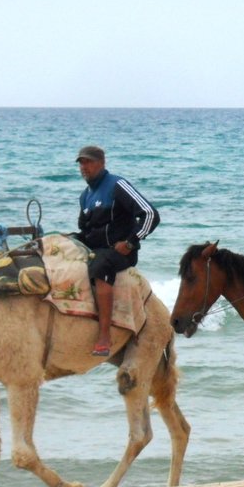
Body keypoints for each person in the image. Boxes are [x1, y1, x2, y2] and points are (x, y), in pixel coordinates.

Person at [73, 145, 160, 356]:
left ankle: (104, 335)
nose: (84, 167)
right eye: (81, 163)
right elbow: (85, 231)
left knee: (100, 266)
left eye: (89, 162)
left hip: (120, 252)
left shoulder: (118, 185)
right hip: (96, 249)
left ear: (102, 163)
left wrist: (130, 242)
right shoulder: (85, 196)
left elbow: (150, 215)